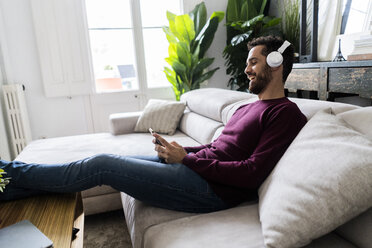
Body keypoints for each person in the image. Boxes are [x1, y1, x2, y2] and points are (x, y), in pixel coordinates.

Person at [0, 36, 307, 213]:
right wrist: (180, 151)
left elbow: (251, 172)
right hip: (197, 171)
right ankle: (7, 188)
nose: (246, 68)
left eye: (253, 61)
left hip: (212, 192)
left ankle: (7, 172)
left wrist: (186, 160)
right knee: (112, 161)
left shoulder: (286, 114)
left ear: (277, 64)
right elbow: (216, 148)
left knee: (102, 164)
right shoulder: (247, 107)